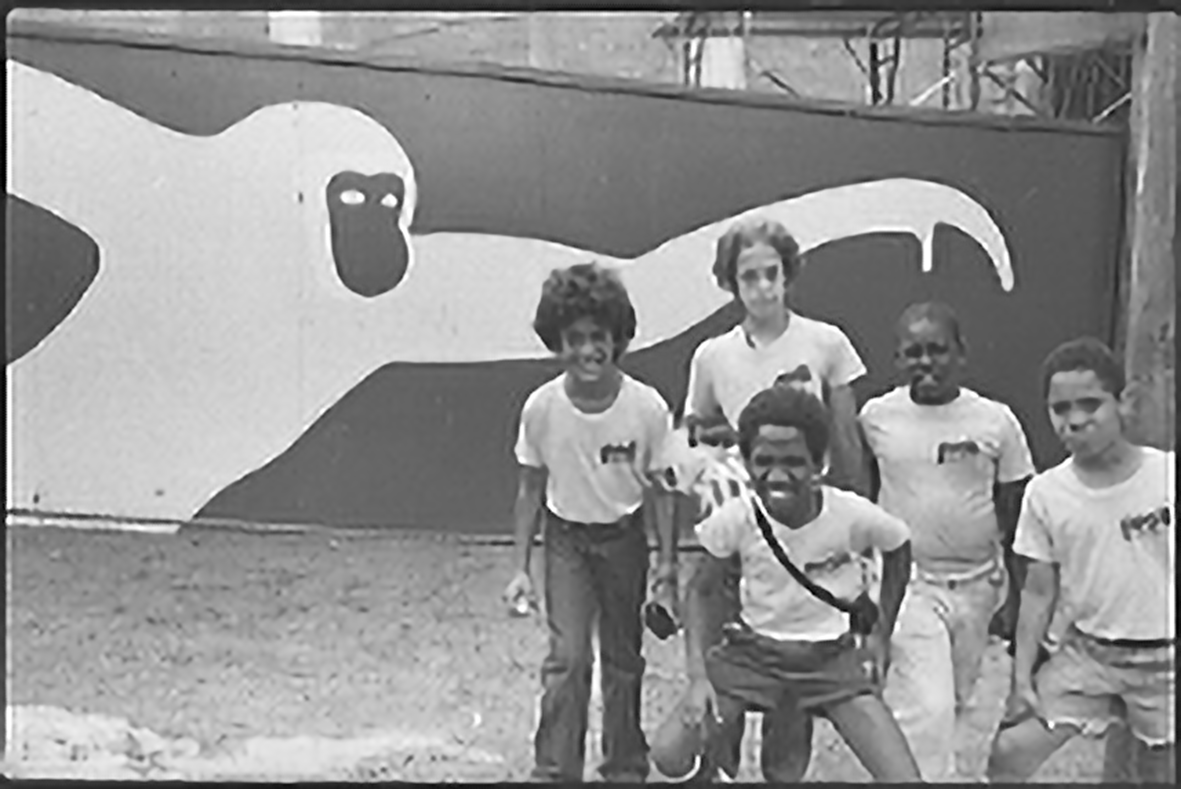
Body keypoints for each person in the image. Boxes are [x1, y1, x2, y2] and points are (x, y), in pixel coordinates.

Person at [658, 215, 870, 779]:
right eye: (748, 276)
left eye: (771, 273)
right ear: (731, 284)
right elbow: (693, 430)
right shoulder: (712, 355)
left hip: (807, 522)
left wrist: (857, 524)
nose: (762, 287)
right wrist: (697, 468)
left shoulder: (827, 342)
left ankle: (784, 775)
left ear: (788, 275)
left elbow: (846, 439)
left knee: (793, 665)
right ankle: (716, 770)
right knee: (730, 657)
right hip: (739, 524)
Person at [676, 385, 921, 782]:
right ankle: (719, 766)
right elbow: (700, 590)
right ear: (746, 462)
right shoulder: (736, 519)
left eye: (793, 461)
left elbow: (899, 546)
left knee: (904, 779)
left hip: (829, 660)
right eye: (764, 461)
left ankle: (784, 747)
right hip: (753, 655)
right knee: (671, 753)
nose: (777, 475)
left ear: (819, 462)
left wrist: (880, 635)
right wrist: (698, 678)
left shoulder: (850, 514)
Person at [502, 261, 678, 783]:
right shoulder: (541, 409)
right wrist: (519, 568)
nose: (587, 351)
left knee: (624, 659)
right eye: (574, 338)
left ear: (618, 337)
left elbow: (663, 491)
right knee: (569, 658)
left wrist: (667, 563)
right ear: (557, 341)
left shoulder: (645, 408)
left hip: (624, 540)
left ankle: (624, 765)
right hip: (566, 543)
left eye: (598, 337)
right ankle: (555, 769)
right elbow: (529, 488)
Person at [858, 302, 1036, 780]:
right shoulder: (876, 417)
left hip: (979, 585)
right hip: (909, 584)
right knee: (928, 706)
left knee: (958, 699)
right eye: (912, 352)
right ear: (897, 360)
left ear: (961, 354)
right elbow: (862, 497)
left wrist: (1019, 599)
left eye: (936, 350)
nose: (925, 362)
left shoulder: (996, 421)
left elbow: (1019, 516)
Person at [986, 337, 1175, 783]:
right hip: (1087, 656)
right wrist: (1022, 679)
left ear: (1123, 402)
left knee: (1156, 776)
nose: (1075, 421)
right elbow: (1038, 589)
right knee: (1008, 753)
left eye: (1090, 405)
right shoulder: (1046, 494)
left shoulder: (1165, 477)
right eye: (1061, 409)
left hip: (1165, 665)